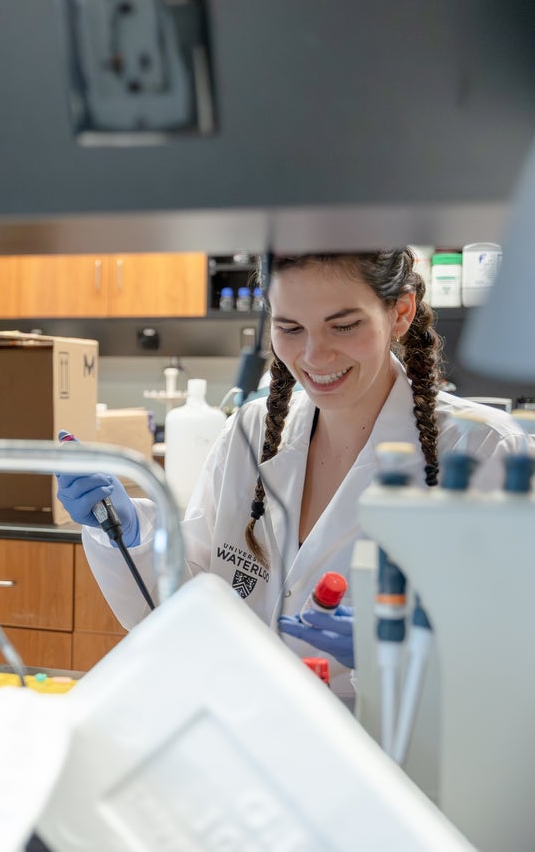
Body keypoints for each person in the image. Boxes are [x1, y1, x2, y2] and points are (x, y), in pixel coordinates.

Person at [57, 250, 528, 697]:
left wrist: (390, 657)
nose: (314, 356)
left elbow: (509, 658)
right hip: (243, 723)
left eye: (343, 326)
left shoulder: (483, 449)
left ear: (400, 312)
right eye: (290, 328)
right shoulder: (250, 430)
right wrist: (131, 537)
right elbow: (190, 600)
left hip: (382, 741)